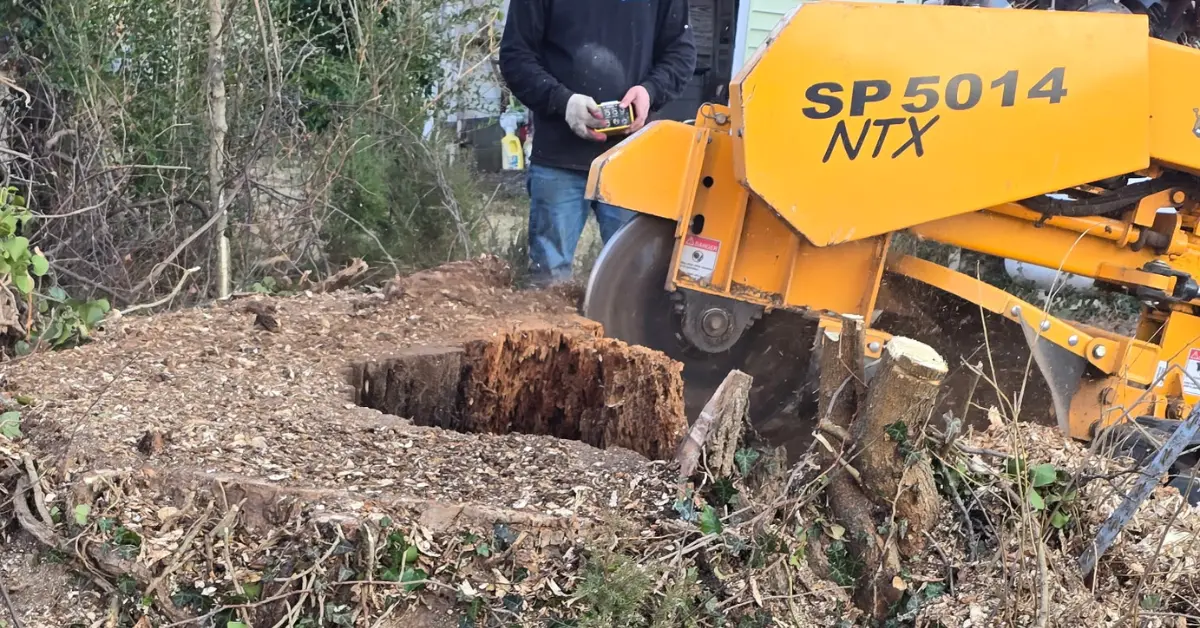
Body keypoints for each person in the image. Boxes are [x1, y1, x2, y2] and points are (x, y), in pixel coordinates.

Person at [499, 0, 697, 287]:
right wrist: (562, 101)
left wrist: (650, 91)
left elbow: (680, 53)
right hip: (559, 156)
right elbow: (516, 56)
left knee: (634, 286)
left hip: (631, 159)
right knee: (548, 283)